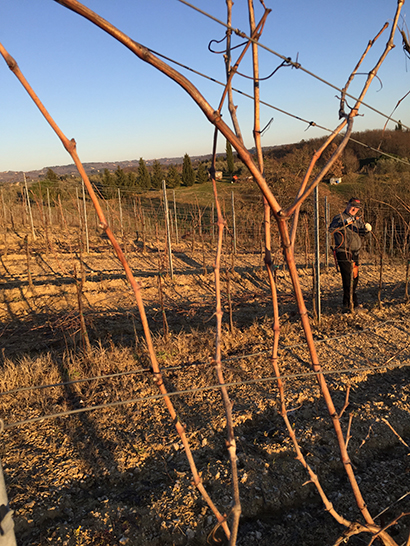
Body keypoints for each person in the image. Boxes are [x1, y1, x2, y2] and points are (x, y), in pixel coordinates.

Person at [329, 197, 372, 310]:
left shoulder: (358, 220)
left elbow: (365, 235)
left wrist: (366, 231)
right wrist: (346, 223)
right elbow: (331, 230)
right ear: (347, 205)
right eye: (352, 206)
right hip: (343, 252)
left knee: (355, 278)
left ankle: (347, 303)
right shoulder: (339, 217)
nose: (354, 209)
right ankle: (352, 304)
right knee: (348, 278)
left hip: (355, 253)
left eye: (357, 207)